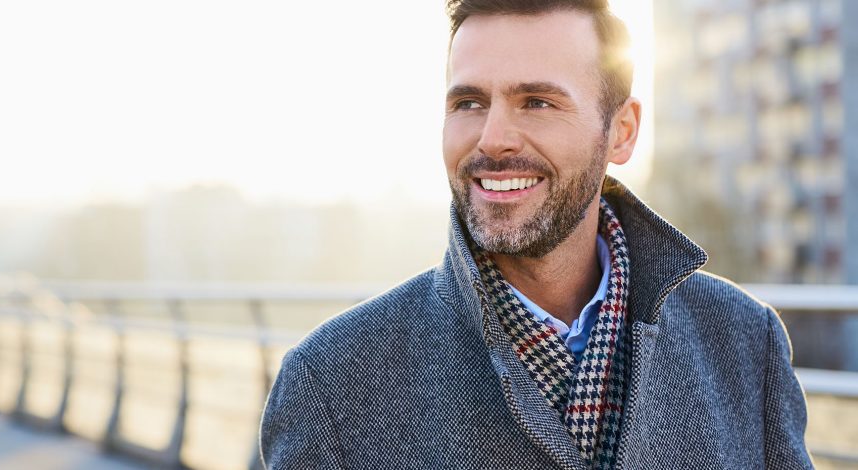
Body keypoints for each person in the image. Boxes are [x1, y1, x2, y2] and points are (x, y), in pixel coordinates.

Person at [259, 0, 813, 468]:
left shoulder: (746, 342)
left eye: (538, 102)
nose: (493, 138)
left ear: (620, 132)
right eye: (469, 102)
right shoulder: (330, 383)